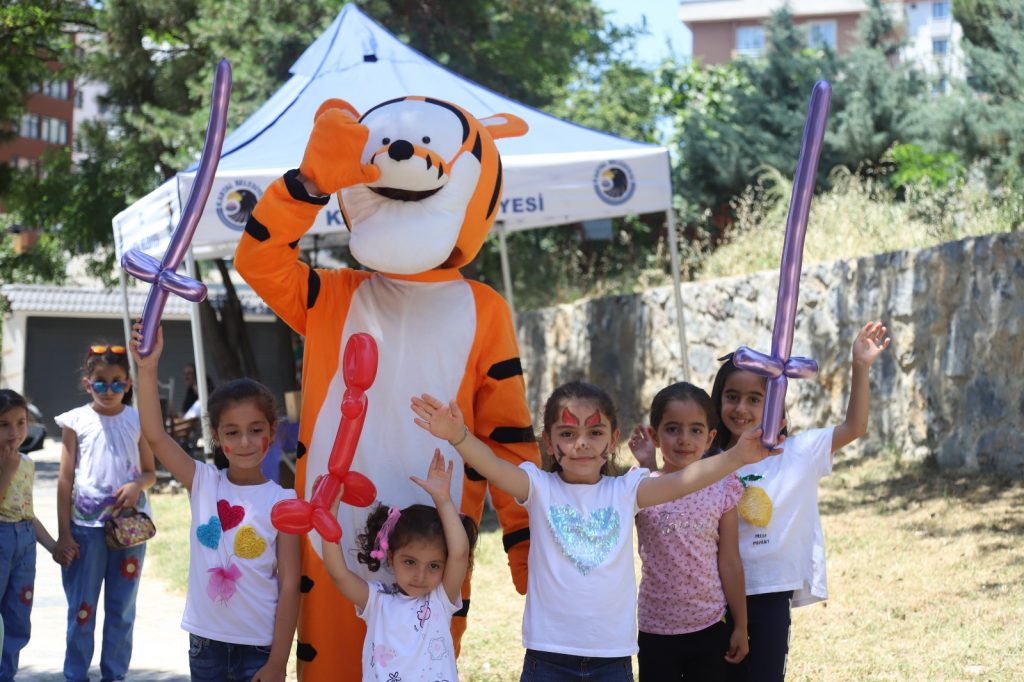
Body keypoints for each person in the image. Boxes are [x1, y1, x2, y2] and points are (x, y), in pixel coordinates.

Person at [412, 380, 781, 681]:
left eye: (595, 431)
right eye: (568, 433)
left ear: (612, 437)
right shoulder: (538, 488)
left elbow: (685, 481)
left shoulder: (627, 490)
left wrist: (735, 457)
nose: (582, 443)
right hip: (548, 657)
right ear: (549, 442)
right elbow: (492, 465)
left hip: (612, 661)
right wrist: (458, 435)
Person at [711, 322, 891, 682]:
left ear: (775, 403)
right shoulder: (710, 461)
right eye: (732, 396)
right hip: (716, 594)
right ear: (718, 400)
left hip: (771, 592)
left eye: (754, 398)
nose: (741, 407)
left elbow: (854, 427)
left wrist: (860, 366)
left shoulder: (798, 453)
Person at [130, 323, 299, 682]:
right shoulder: (203, 482)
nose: (245, 442)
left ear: (272, 431)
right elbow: (156, 437)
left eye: (256, 429)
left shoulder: (284, 501)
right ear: (218, 438)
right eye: (232, 432)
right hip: (206, 645)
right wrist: (147, 368)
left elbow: (289, 586)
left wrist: (278, 662)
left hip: (260, 648)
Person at [321, 450, 478, 682]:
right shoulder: (377, 600)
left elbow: (459, 553)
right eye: (410, 562)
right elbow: (339, 575)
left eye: (434, 566)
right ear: (391, 555)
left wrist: (443, 500)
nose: (420, 575)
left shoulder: (440, 600)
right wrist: (328, 518)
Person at [627, 383, 748, 681]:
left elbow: (730, 561)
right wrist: (646, 465)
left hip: (708, 626)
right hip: (655, 629)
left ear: (710, 438)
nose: (684, 440)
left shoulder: (723, 485)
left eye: (695, 430)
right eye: (672, 429)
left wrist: (741, 626)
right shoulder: (637, 486)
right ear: (655, 436)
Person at [53, 343, 156, 682]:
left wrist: (136, 486)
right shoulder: (75, 421)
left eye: (116, 382)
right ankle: (75, 674)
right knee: (82, 608)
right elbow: (65, 479)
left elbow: (149, 472)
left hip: (128, 531)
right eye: (100, 382)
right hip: (85, 530)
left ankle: (115, 675)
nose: (108, 390)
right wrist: (64, 533)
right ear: (87, 383)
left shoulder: (137, 420)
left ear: (128, 384)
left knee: (121, 609)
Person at [0, 389, 72, 681]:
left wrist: (53, 545)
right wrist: (6, 471)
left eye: (21, 423)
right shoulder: (9, 463)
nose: (14, 432)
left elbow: (27, 512)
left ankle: (7, 673)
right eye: (4, 424)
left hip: (24, 544)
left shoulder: (26, 464)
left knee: (18, 614)